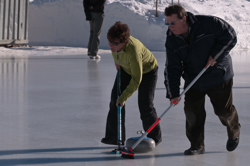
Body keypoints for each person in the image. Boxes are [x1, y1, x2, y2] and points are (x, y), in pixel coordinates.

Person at [164, 4, 241, 155]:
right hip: (194, 79)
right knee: (192, 113)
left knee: (223, 111)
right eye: (167, 23)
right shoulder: (172, 39)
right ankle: (197, 145)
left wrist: (215, 56)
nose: (170, 27)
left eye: (173, 23)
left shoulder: (208, 24)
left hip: (218, 75)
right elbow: (172, 67)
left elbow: (230, 36)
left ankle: (234, 131)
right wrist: (173, 93)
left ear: (184, 19)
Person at [101, 21, 162, 146]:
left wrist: (123, 98)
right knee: (115, 101)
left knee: (145, 105)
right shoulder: (115, 44)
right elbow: (116, 52)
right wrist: (117, 62)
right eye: (109, 41)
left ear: (125, 42)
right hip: (126, 68)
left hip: (147, 71)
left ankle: (154, 136)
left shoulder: (133, 52)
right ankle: (114, 136)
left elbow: (136, 79)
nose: (111, 45)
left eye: (115, 43)